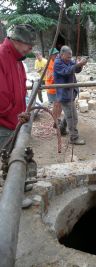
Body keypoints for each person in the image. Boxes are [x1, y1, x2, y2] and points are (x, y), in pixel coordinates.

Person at [0, 24, 36, 208]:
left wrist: (22, 110)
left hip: (15, 119)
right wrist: (16, 115)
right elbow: (1, 98)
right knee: (11, 158)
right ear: (15, 41)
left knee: (17, 153)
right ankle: (13, 196)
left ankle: (18, 185)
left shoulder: (17, 60)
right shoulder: (1, 57)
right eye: (28, 45)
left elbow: (20, 90)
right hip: (4, 123)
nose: (30, 49)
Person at [54, 45, 87, 145]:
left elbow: (75, 69)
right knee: (72, 117)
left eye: (70, 57)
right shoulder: (58, 63)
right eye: (68, 57)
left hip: (70, 92)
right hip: (64, 94)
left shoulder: (68, 60)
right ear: (62, 54)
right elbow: (67, 71)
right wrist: (78, 64)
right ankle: (74, 138)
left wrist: (80, 65)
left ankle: (62, 129)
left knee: (68, 114)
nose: (70, 59)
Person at [45, 48, 67, 135]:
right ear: (51, 55)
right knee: (56, 104)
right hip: (52, 87)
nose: (57, 55)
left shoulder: (56, 62)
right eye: (55, 54)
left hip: (57, 87)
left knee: (58, 104)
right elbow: (51, 77)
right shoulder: (50, 64)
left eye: (57, 53)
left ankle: (56, 120)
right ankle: (56, 120)